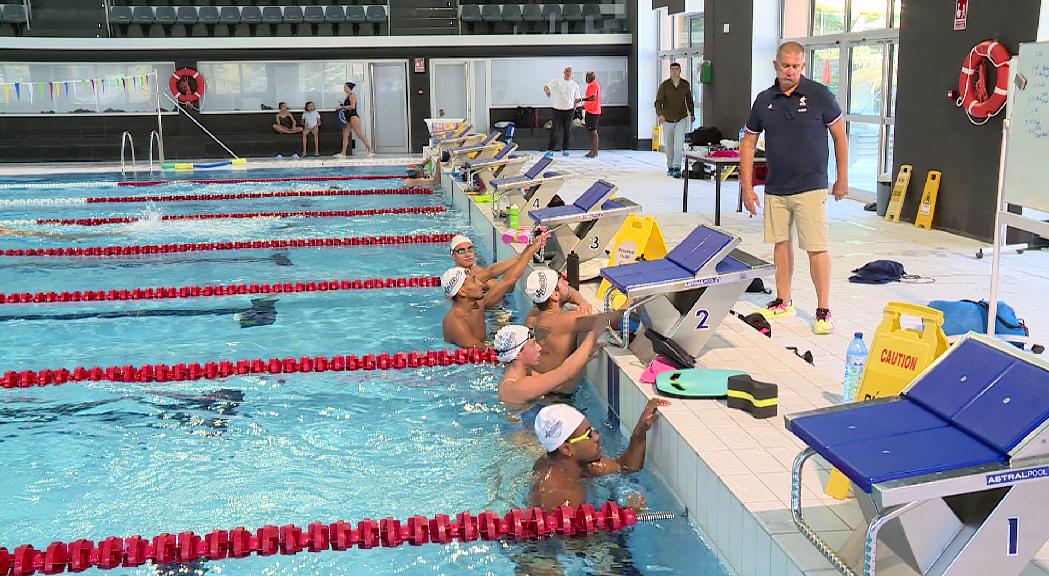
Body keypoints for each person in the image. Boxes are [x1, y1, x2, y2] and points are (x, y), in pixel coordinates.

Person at [740, 41, 849, 335]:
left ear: (803, 66)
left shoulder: (819, 95)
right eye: (786, 66)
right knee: (780, 245)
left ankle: (823, 309)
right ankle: (783, 299)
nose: (791, 71)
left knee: (816, 247)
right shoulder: (764, 100)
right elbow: (748, 142)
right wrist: (746, 187)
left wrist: (842, 177)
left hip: (811, 185)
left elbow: (840, 135)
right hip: (776, 187)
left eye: (796, 66)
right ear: (776, 65)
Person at [528, 399, 668, 510]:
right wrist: (628, 515)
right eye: (588, 434)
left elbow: (625, 466)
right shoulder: (565, 500)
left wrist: (640, 430)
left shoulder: (572, 464)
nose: (596, 437)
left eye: (593, 430)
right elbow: (584, 545)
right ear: (566, 449)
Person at [441, 237, 545, 348]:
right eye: (474, 281)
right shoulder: (456, 324)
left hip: (485, 345)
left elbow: (507, 281)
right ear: (462, 291)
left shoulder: (476, 302)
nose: (481, 284)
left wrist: (531, 250)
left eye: (470, 249)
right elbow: (484, 353)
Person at [494, 318, 604, 404]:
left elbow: (563, 386)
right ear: (517, 354)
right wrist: (593, 333)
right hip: (525, 433)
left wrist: (583, 356)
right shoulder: (518, 387)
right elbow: (566, 373)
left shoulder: (526, 375)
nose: (539, 348)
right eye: (533, 345)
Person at [654, 62, 695, 178]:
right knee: (669, 145)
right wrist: (660, 114)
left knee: (678, 143)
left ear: (680, 71)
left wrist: (691, 113)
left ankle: (677, 167)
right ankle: (670, 166)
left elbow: (689, 100)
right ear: (670, 71)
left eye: (677, 69)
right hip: (667, 119)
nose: (674, 71)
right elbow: (658, 102)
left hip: (681, 118)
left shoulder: (685, 85)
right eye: (672, 69)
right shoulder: (664, 85)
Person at [543, 67, 581, 157]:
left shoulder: (575, 84)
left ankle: (565, 149)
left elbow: (577, 98)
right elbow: (546, 86)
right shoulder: (557, 82)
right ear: (564, 72)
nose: (568, 73)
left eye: (570, 72)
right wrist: (547, 91)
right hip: (557, 110)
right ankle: (550, 150)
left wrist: (574, 107)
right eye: (567, 71)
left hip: (569, 110)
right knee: (554, 130)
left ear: (572, 74)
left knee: (567, 130)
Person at [335, 82, 374, 157]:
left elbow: (352, 106)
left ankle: (370, 149)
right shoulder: (347, 96)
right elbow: (347, 106)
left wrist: (342, 107)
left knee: (359, 133)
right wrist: (342, 106)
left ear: (349, 87)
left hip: (353, 117)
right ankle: (343, 153)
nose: (344, 88)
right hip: (348, 117)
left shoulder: (353, 95)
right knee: (345, 135)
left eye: (345, 87)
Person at [578, 71, 602, 158]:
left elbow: (592, 98)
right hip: (590, 110)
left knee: (593, 132)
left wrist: (580, 100)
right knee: (591, 132)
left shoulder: (593, 85)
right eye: (586, 77)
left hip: (594, 112)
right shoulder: (591, 85)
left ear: (592, 77)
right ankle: (592, 150)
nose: (586, 79)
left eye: (588, 77)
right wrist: (584, 106)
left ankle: (595, 152)